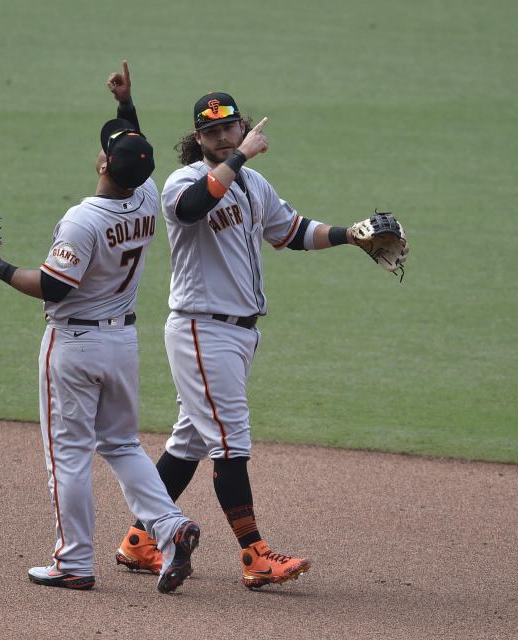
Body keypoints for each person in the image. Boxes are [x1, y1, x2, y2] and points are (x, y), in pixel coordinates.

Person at [0, 62, 199, 594]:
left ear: (104, 161)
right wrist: (126, 106)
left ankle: (74, 562)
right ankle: (171, 525)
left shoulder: (82, 220)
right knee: (123, 444)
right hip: (122, 343)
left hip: (75, 345)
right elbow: (137, 153)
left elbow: (53, 286)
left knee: (67, 456)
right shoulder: (148, 194)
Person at [115, 90, 368, 589]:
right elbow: (192, 209)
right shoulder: (183, 181)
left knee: (189, 440)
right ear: (198, 138)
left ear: (242, 125)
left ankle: (140, 542)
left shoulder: (253, 184)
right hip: (201, 329)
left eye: (229, 128)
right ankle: (254, 556)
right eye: (211, 132)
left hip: (237, 335)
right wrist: (240, 156)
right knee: (231, 442)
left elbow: (292, 231)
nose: (222, 136)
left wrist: (350, 235)